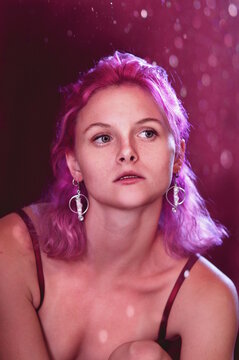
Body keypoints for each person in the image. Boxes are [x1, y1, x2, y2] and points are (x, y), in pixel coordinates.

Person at [0, 51, 238, 360]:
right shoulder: (12, 248)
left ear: (178, 156)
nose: (127, 152)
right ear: (74, 164)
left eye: (147, 132)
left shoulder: (209, 298)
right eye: (102, 137)